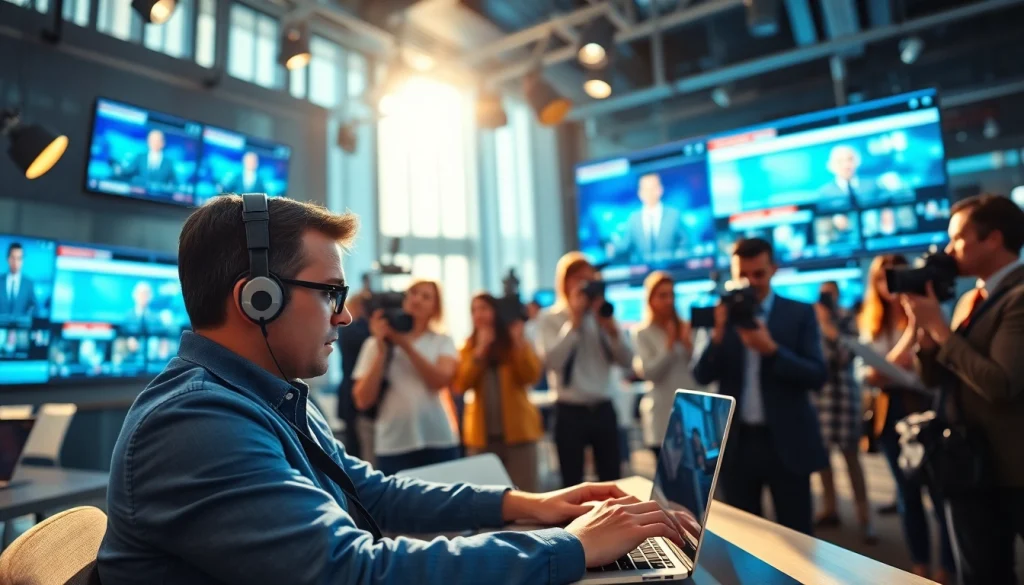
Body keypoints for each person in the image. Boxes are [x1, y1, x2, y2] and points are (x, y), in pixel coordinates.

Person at [98, 195, 692, 585]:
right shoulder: (196, 421)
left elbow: (369, 495)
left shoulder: (264, 395)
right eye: (329, 292)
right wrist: (568, 550)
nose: (344, 317)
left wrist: (529, 507)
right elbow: (351, 574)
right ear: (257, 298)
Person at [903, 193, 1024, 585]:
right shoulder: (971, 298)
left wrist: (939, 327)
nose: (949, 249)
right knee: (980, 576)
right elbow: (936, 378)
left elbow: (1000, 383)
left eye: (957, 238)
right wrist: (923, 330)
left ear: (993, 239)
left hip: (1013, 467)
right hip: (967, 465)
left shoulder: (1019, 299)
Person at [691, 237, 827, 534]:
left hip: (787, 443)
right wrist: (716, 335)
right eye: (743, 274)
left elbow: (817, 375)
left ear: (774, 270)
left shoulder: (799, 313)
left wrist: (772, 351)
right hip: (737, 444)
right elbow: (700, 374)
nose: (750, 282)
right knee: (743, 540)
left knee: (797, 537)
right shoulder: (721, 314)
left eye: (758, 274)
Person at [858, 253, 953, 583]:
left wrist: (913, 330)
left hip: (928, 410)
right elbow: (869, 374)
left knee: (942, 495)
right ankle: (920, 567)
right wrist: (894, 362)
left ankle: (946, 569)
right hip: (889, 412)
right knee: (907, 494)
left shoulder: (929, 310)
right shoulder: (872, 320)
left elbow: (928, 369)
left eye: (896, 276)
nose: (890, 285)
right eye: (883, 278)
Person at [536, 252, 633, 487]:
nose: (586, 285)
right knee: (572, 484)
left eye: (591, 279)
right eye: (580, 279)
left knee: (612, 481)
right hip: (570, 411)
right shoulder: (550, 318)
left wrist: (611, 330)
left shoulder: (602, 316)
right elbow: (552, 362)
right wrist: (574, 323)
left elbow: (627, 361)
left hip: (603, 408)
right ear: (565, 282)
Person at [351, 280, 461, 476]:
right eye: (413, 293)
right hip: (393, 442)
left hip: (438, 437)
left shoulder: (443, 341)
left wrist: (406, 346)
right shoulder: (374, 344)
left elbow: (439, 382)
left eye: (426, 296)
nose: (417, 299)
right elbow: (362, 400)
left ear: (435, 308)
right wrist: (382, 352)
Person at [452, 293, 544, 492]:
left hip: (519, 433)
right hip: (481, 437)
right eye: (474, 310)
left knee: (526, 493)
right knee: (486, 498)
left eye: (484, 308)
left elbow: (531, 376)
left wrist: (518, 342)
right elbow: (460, 384)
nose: (479, 314)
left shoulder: (513, 343)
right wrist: (480, 350)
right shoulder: (468, 347)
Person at [811, 280, 876, 544]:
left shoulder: (847, 318)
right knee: (822, 460)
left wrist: (828, 326)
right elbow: (814, 359)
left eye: (831, 293)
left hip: (845, 398)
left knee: (852, 459)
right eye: (823, 293)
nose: (827, 298)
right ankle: (830, 509)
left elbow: (844, 356)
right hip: (821, 400)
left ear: (838, 295)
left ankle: (865, 518)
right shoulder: (811, 320)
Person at [632, 271, 701, 460]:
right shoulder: (642, 333)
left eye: (671, 295)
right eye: (662, 295)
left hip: (690, 414)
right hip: (663, 416)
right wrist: (669, 347)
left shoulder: (686, 328)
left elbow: (701, 370)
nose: (669, 301)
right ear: (650, 299)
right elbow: (649, 372)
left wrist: (688, 346)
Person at [609, 173, 686, 263]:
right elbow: (625, 246)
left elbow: (685, 243)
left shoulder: (674, 215)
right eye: (645, 189)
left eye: (653, 188)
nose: (649, 193)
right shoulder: (633, 219)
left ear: (660, 190)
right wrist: (612, 248)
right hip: (643, 272)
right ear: (640, 193)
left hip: (673, 270)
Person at [337, 291, 370, 461]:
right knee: (356, 448)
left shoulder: (347, 330)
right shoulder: (352, 331)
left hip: (348, 392)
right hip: (352, 394)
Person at [818, 145, 875, 209]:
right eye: (840, 161)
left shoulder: (872, 185)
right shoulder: (825, 193)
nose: (846, 165)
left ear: (857, 161)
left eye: (850, 159)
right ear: (832, 165)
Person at [0, 242, 36, 319]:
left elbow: (35, 309)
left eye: (19, 258)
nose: (15, 262)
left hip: (21, 329)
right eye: (13, 258)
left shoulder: (28, 283)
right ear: (8, 259)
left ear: (22, 261)